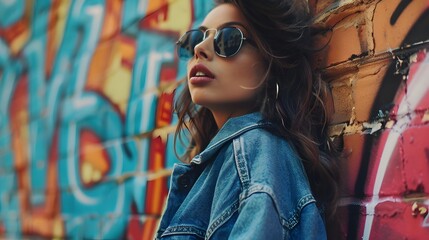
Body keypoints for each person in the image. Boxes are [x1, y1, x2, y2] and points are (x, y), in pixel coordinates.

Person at [156, 0, 340, 239]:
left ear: (270, 64)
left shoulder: (256, 150)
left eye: (228, 39)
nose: (200, 48)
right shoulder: (235, 156)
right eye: (194, 40)